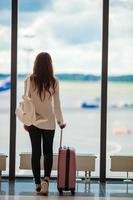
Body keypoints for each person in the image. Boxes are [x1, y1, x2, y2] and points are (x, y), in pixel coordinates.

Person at [23, 52, 66, 195]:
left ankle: (37, 183)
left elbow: (25, 102)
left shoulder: (29, 80)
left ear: (35, 64)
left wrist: (25, 120)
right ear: (50, 65)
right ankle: (46, 181)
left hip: (33, 122)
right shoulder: (54, 81)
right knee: (48, 152)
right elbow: (57, 104)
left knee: (36, 152)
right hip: (49, 121)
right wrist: (60, 121)